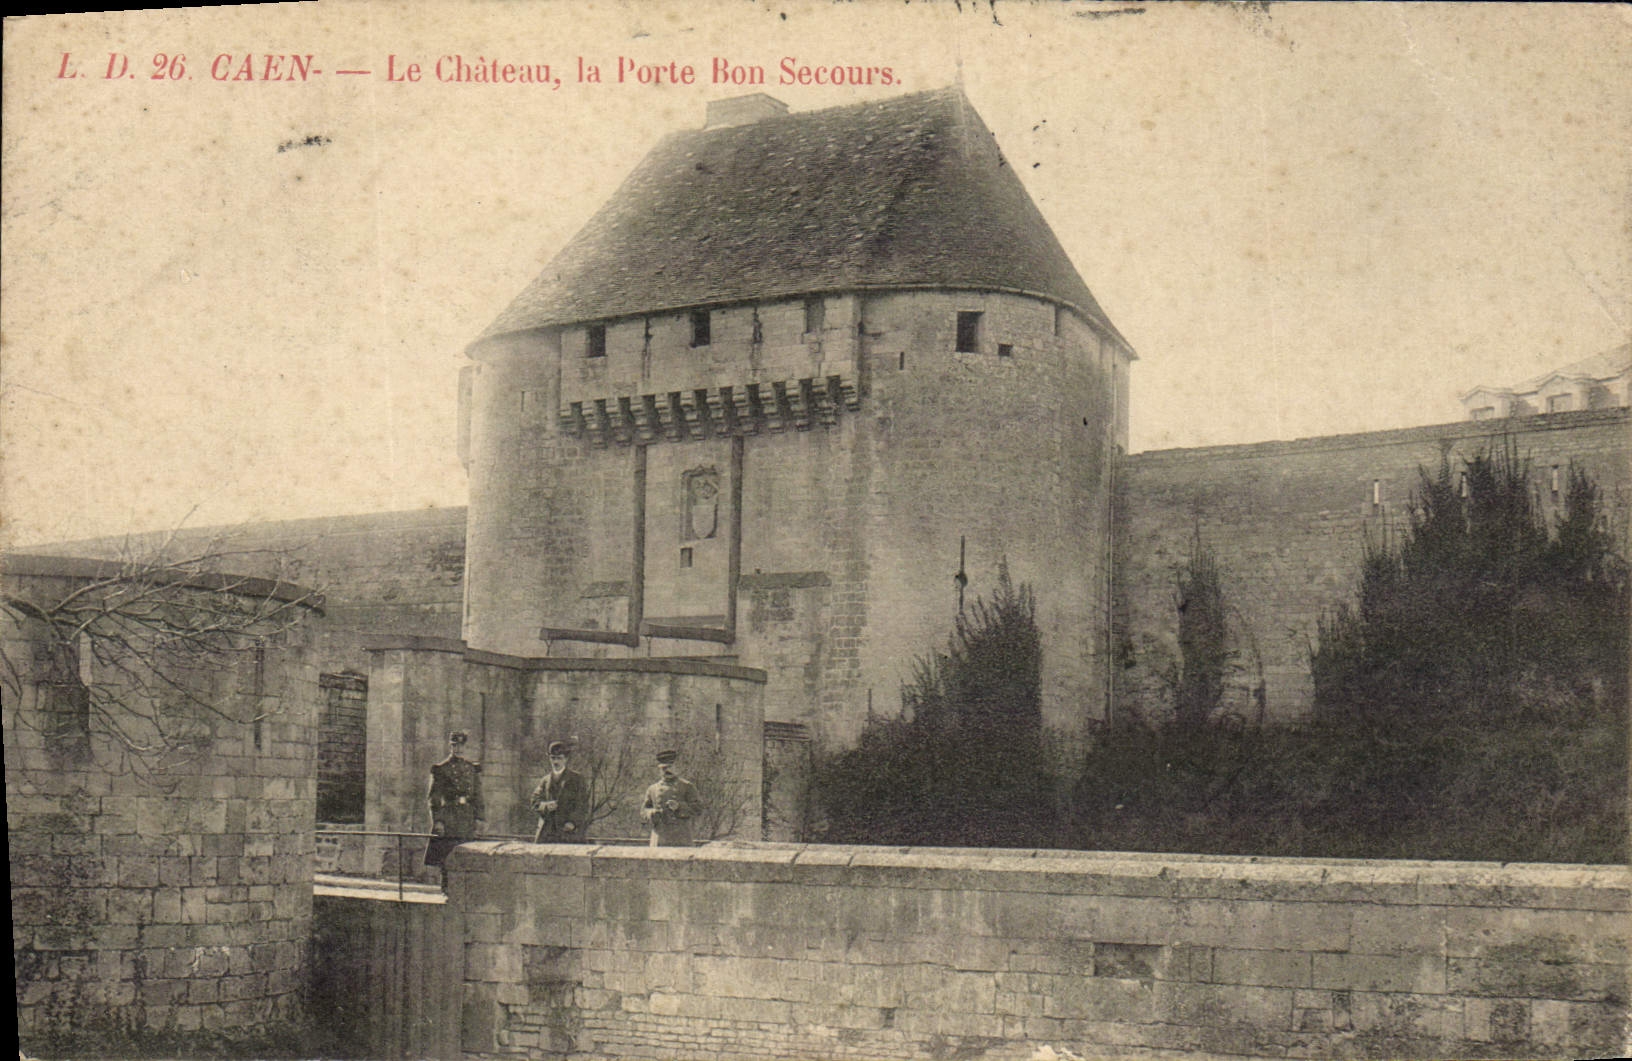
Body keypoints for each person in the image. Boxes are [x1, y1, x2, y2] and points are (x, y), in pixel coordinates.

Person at [424, 730, 483, 879]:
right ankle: (447, 891)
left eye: (461, 746)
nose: (458, 749)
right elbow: (434, 799)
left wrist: (479, 819)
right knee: (448, 858)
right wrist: (438, 821)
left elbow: (478, 796)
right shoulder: (441, 769)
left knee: (468, 857)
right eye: (455, 745)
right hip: (450, 818)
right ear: (450, 747)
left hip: (467, 818)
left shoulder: (471, 769)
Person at [530, 740, 590, 843]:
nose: (556, 762)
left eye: (559, 758)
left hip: (569, 832)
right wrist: (545, 805)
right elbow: (534, 801)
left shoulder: (577, 779)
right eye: (553, 758)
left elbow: (582, 804)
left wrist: (573, 822)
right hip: (547, 833)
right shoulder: (545, 780)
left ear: (566, 759)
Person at [641, 749, 703, 847]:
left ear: (676, 768)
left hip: (682, 836)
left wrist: (679, 807)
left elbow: (698, 808)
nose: (667, 771)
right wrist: (651, 813)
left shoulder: (687, 786)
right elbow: (644, 810)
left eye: (670, 767)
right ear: (659, 770)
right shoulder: (653, 789)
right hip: (659, 836)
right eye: (664, 769)